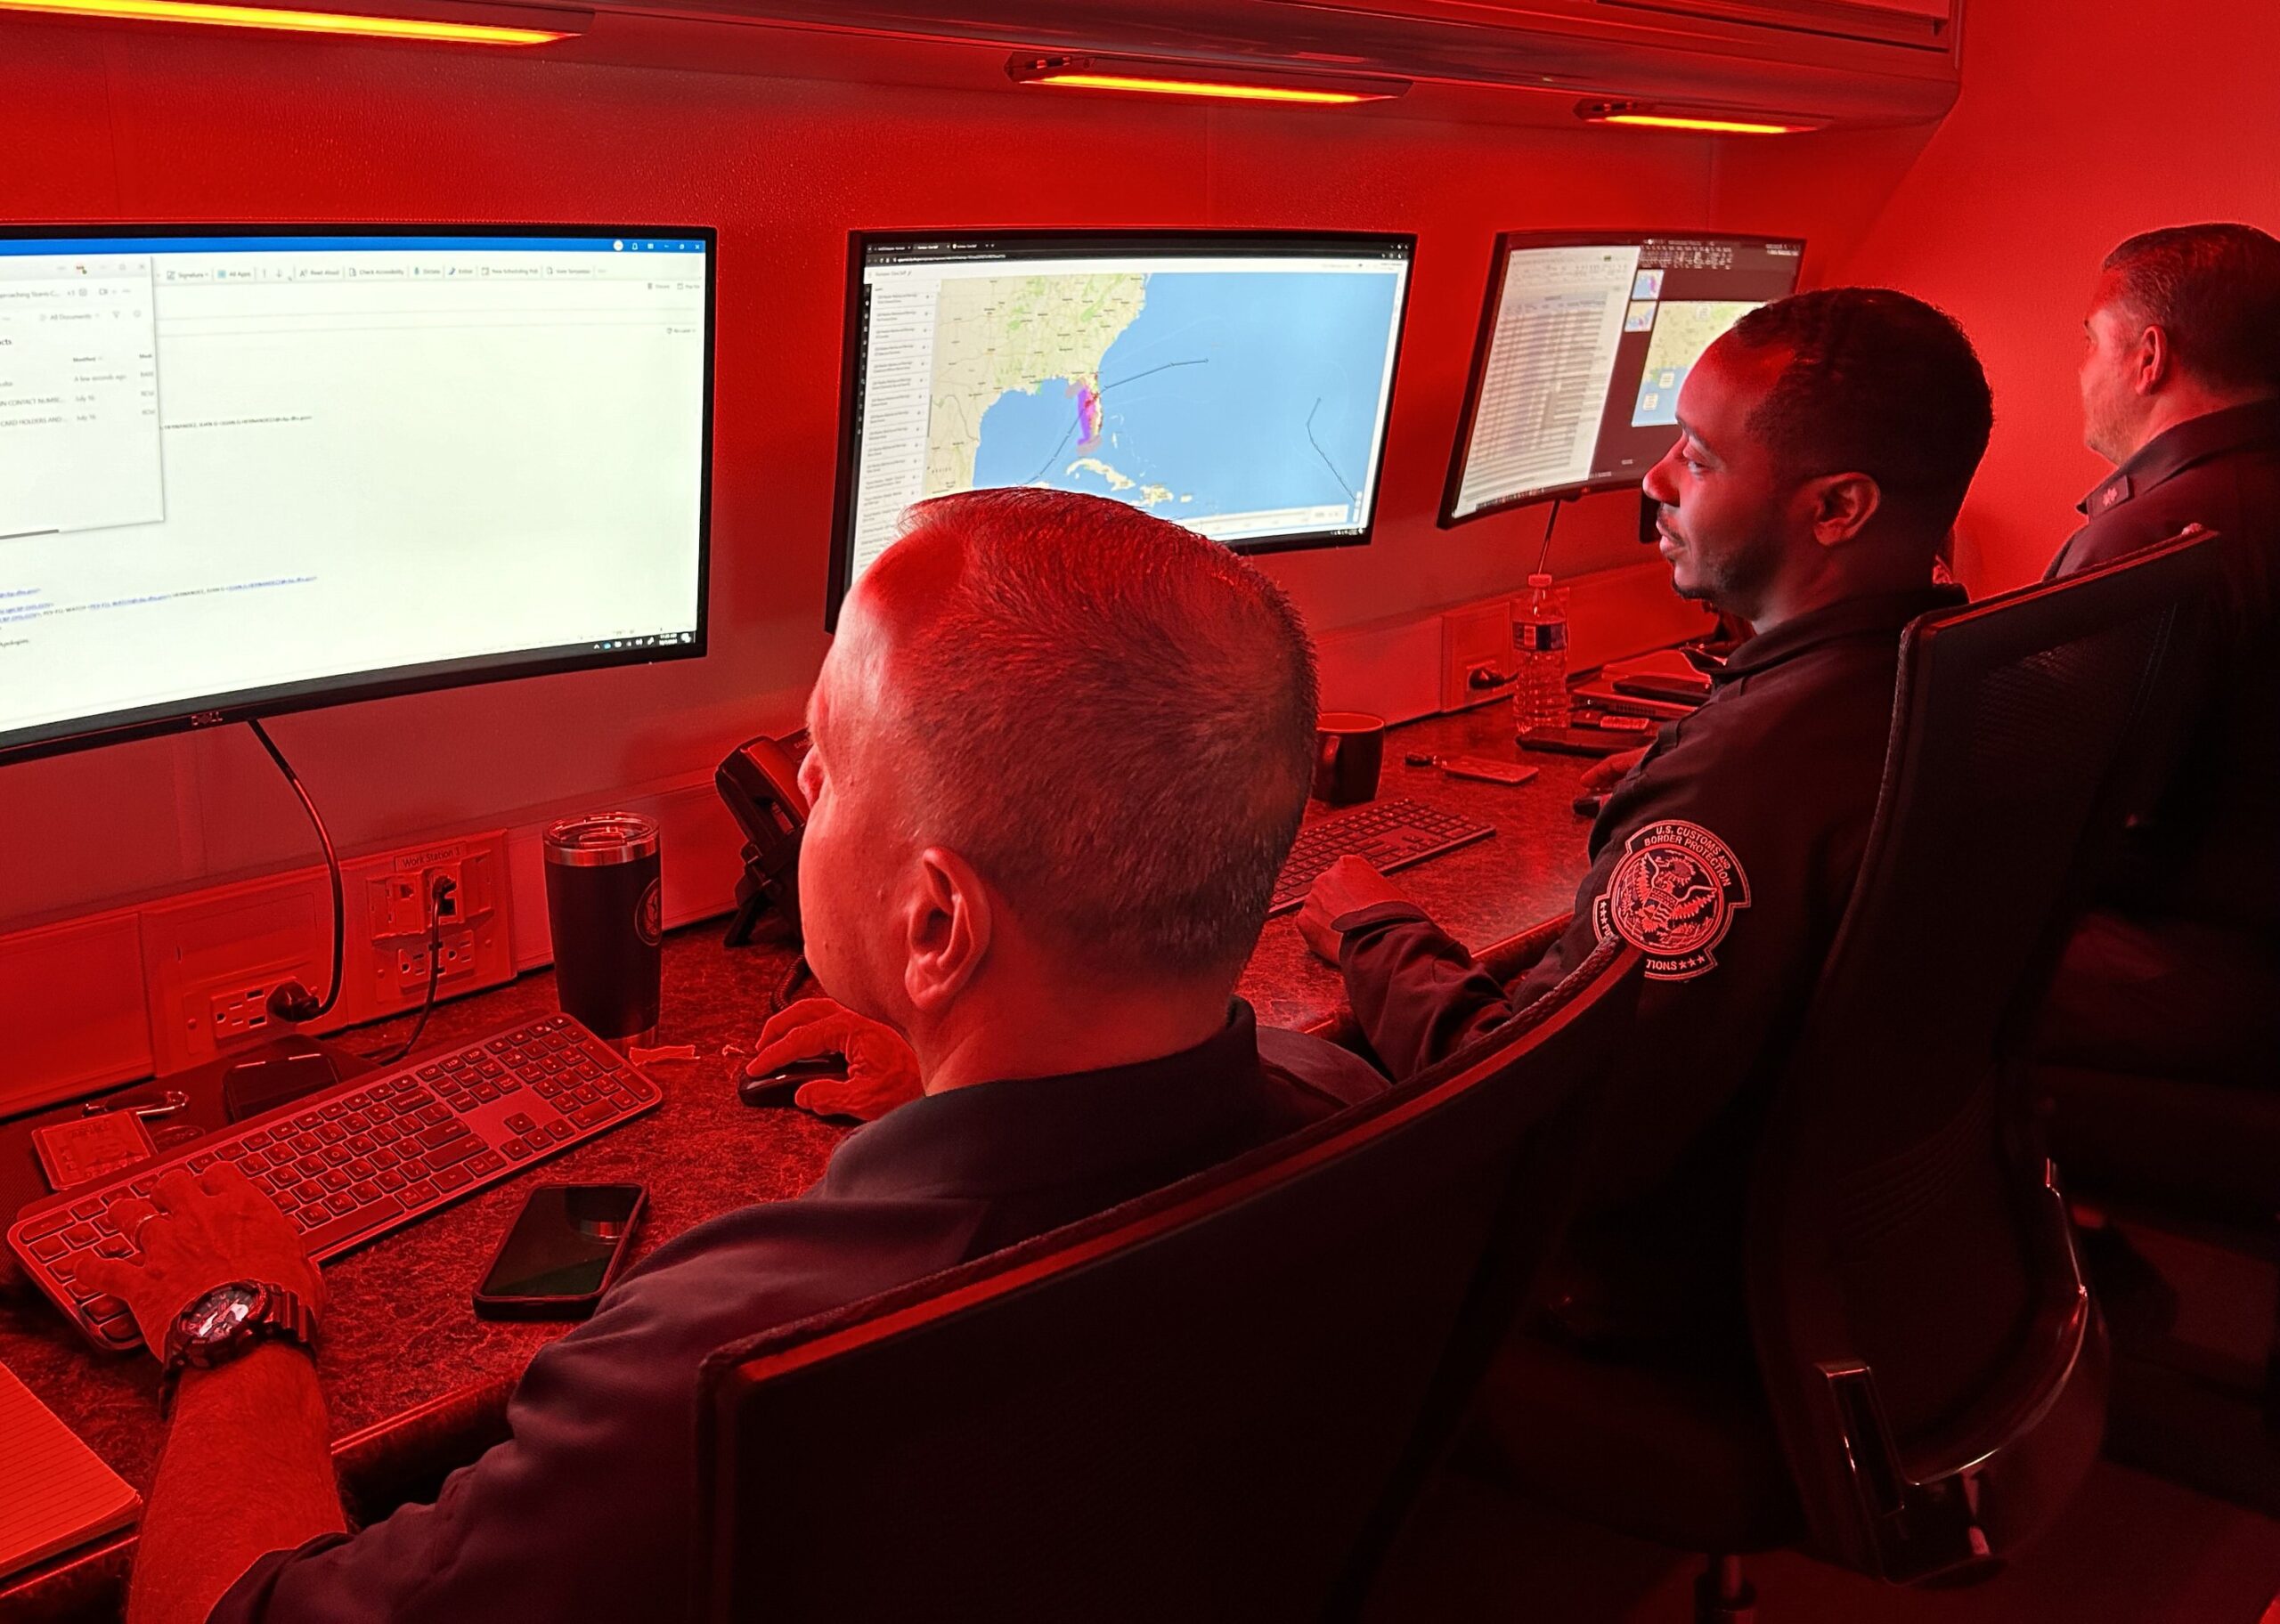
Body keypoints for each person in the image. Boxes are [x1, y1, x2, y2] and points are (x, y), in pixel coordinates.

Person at [79, 488, 1385, 1624]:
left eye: (831, 756)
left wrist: (237, 1317)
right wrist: (954, 1059)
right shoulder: (1352, 1104)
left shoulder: (726, 1359)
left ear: (936, 925)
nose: (803, 782)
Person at [1301, 288, 1991, 1364]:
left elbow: (1536, 1114)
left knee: (1270, 1092)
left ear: (1838, 507)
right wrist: (1686, 765)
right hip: (1899, 1262)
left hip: (1652, 1294)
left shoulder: (1747, 782)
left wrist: (1374, 932)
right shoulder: (1962, 675)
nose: (1656, 479)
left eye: (1700, 458)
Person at [2035, 223, 2280, 1075]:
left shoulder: (2148, 537)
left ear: (2149, 356)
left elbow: (2052, 812)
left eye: (2088, 343)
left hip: (2201, 967)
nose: (2081, 372)